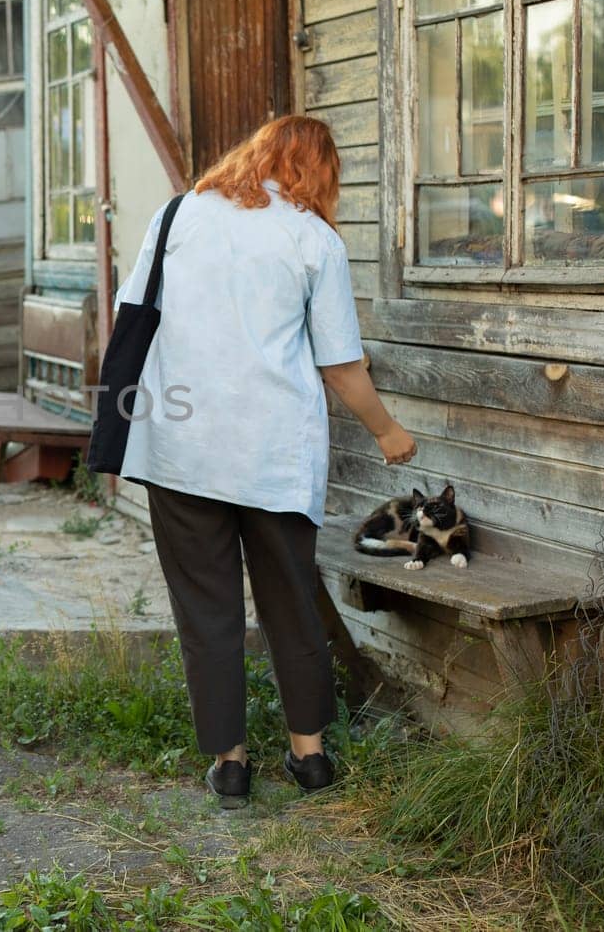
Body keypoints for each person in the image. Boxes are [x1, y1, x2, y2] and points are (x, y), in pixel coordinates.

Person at [110, 115, 416, 809]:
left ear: (256, 154)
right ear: (321, 172)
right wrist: (388, 430)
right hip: (273, 454)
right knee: (290, 603)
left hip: (180, 448)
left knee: (207, 610)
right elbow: (342, 367)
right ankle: (309, 755)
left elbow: (133, 313)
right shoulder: (312, 238)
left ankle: (231, 762)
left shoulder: (177, 215)